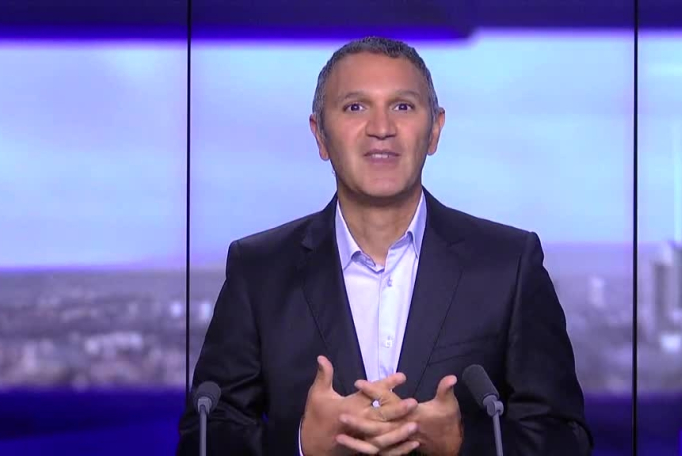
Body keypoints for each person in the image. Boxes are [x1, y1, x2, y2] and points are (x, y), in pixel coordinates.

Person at [177, 36, 592, 456]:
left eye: (403, 106)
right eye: (355, 107)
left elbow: (566, 438)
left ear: (435, 130)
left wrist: (462, 445)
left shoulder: (508, 265)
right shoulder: (260, 270)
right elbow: (204, 439)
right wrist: (303, 444)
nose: (381, 128)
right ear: (320, 135)